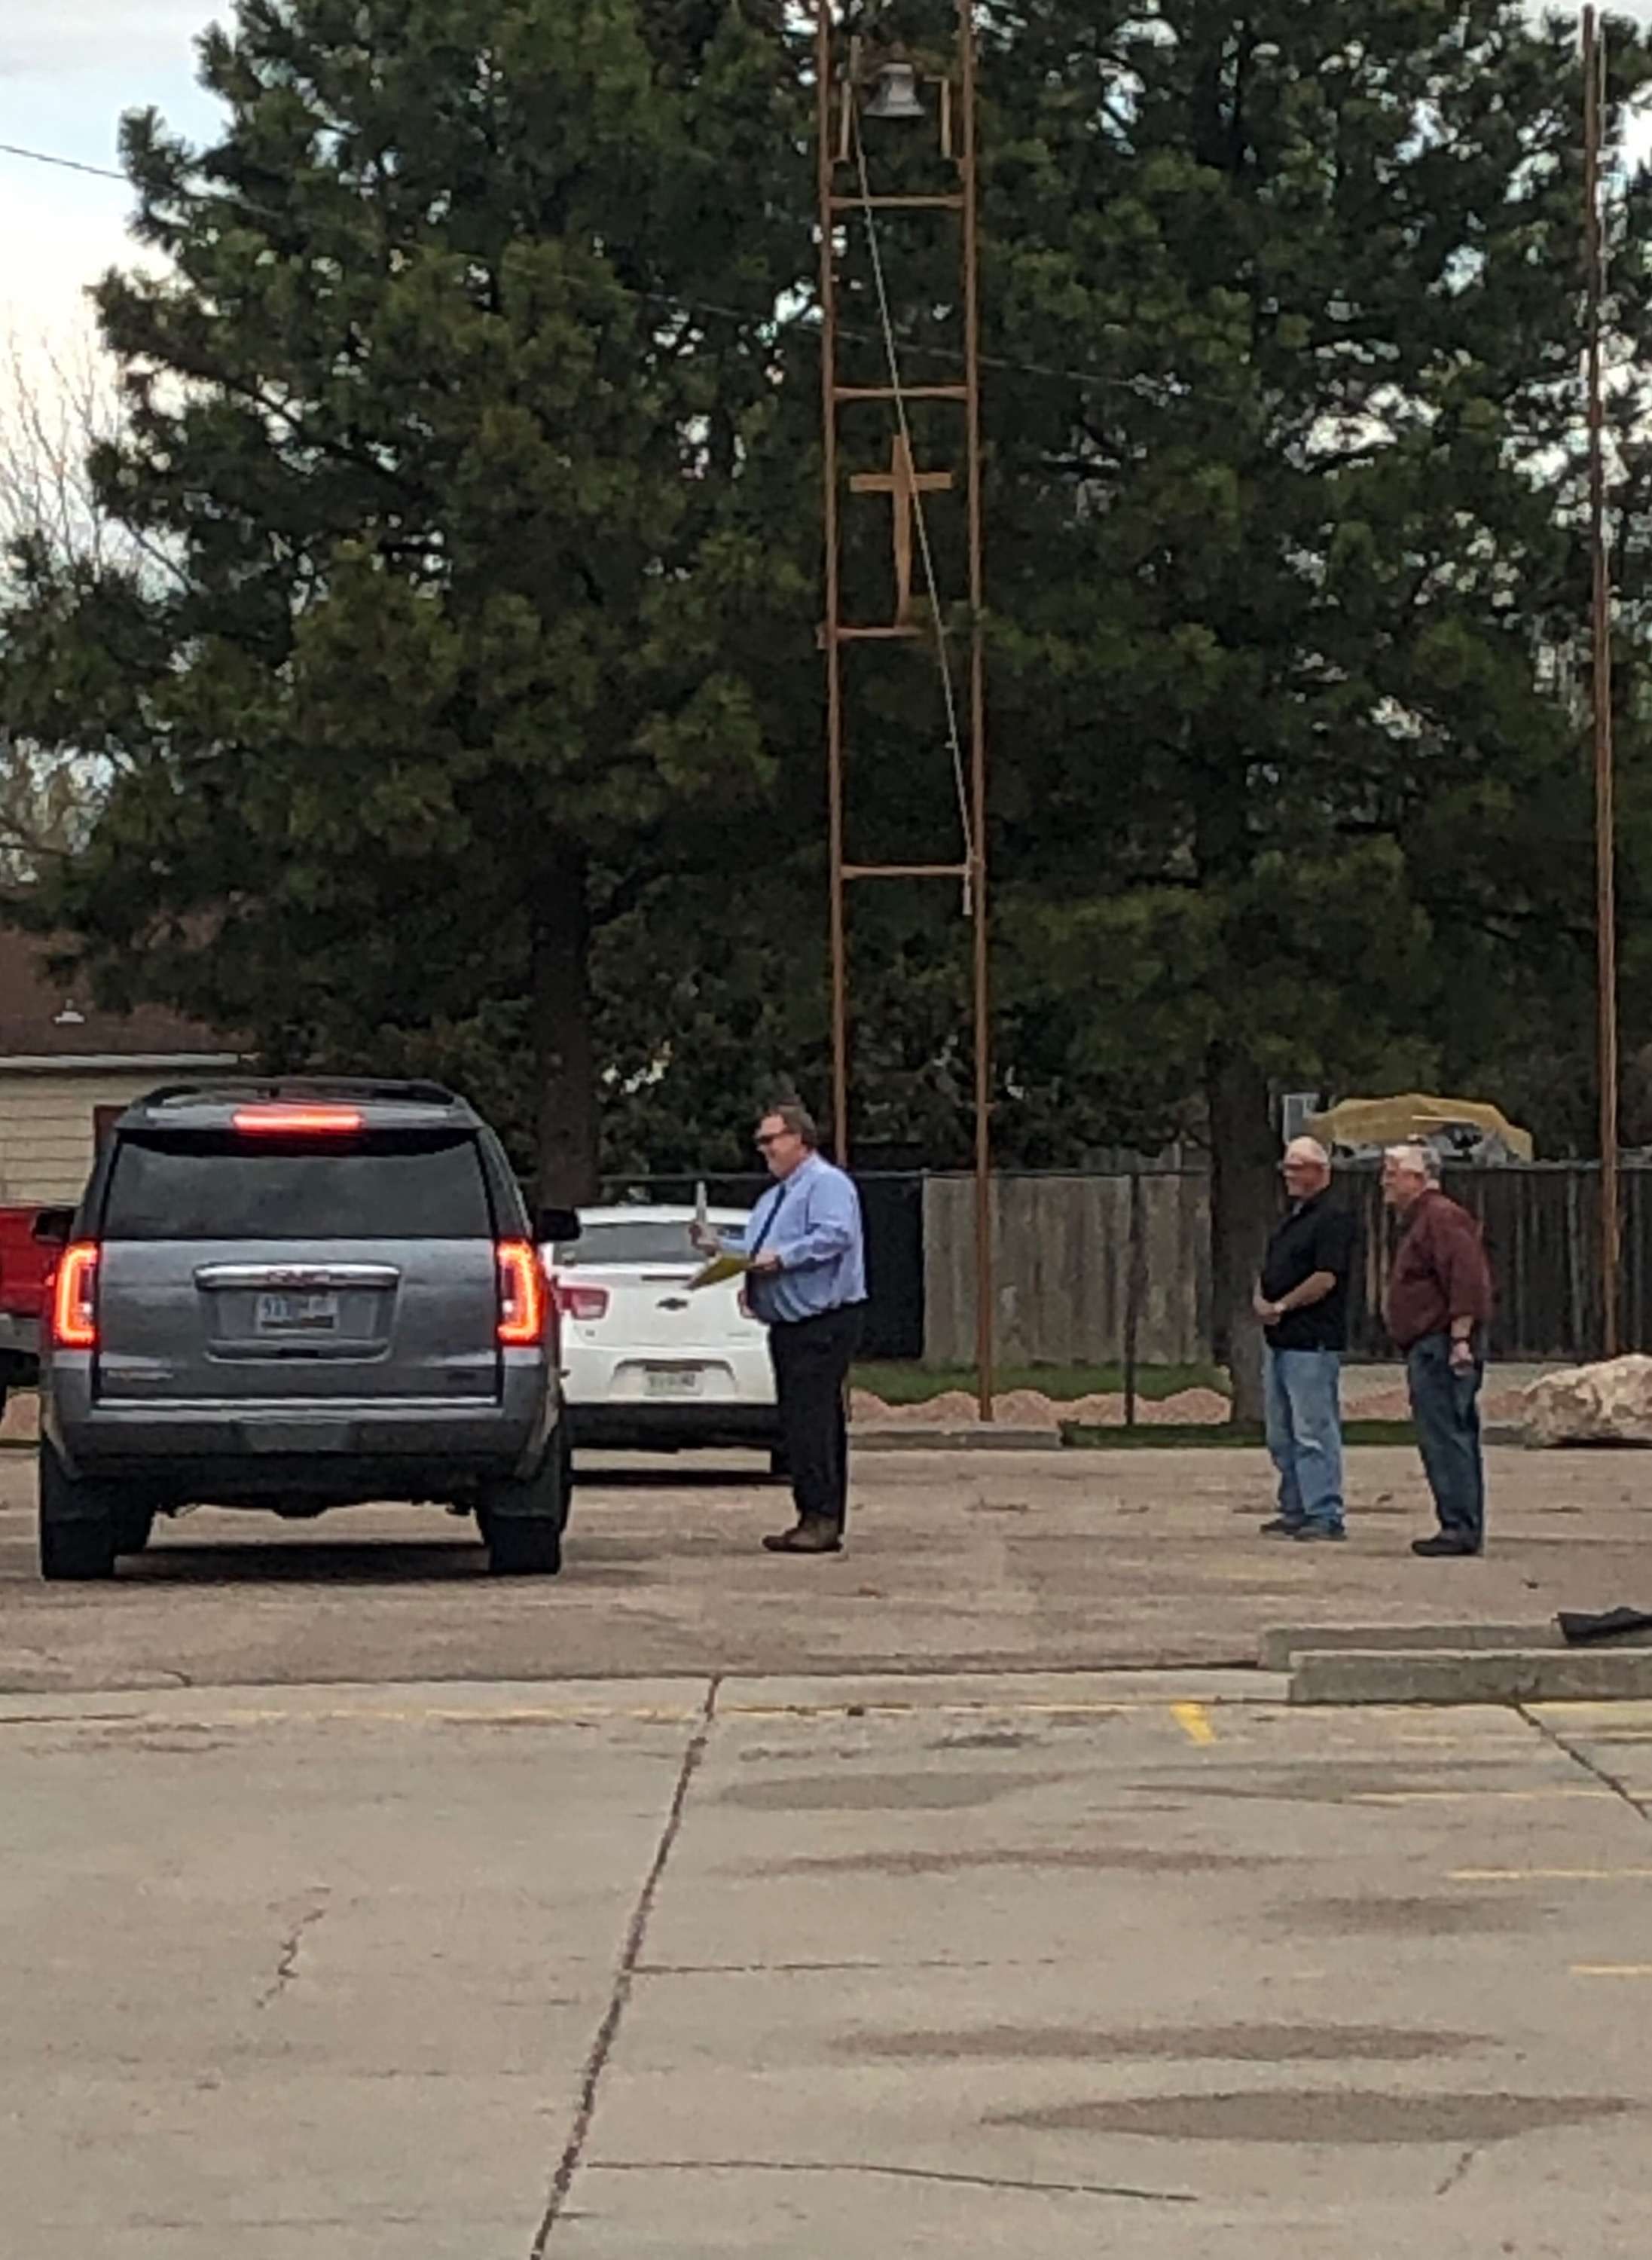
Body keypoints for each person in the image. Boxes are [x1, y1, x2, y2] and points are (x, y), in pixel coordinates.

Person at [695, 1100, 866, 1556]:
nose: (764, 1148)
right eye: (761, 1141)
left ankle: (821, 1518)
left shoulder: (826, 1184)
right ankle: (814, 1514)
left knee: (812, 1422)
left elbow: (836, 1235)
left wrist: (783, 1259)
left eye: (772, 1139)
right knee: (802, 1420)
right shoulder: (775, 1197)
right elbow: (759, 1249)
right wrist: (720, 1248)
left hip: (822, 1319)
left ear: (801, 1139)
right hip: (788, 1324)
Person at [1382, 1142, 1495, 1558]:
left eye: (1392, 1173)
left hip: (1442, 1345)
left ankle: (1461, 1526)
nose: (1385, 1182)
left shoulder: (1442, 1218)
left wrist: (1460, 1338)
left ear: (1418, 1177)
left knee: (1449, 1434)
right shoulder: (1420, 1221)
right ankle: (1455, 1521)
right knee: (1439, 1435)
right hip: (1428, 1344)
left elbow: (1468, 1279)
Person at [1253, 1137, 1357, 1542]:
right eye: (1287, 1168)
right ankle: (1293, 1506)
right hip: (1278, 1340)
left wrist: (1282, 1305)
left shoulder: (1333, 1219)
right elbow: (1269, 1267)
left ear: (1322, 1172)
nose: (1290, 1175)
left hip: (1312, 1342)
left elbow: (1325, 1278)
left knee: (1313, 1429)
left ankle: (1325, 1512)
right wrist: (1260, 1299)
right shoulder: (1291, 1218)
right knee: (1281, 1432)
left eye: (1299, 1168)